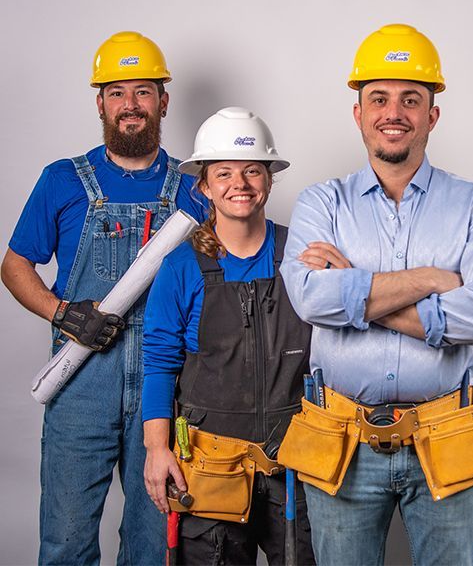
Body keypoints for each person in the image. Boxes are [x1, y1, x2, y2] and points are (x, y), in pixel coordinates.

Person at [278, 23, 473, 566]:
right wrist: (433, 279)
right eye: (378, 98)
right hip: (339, 435)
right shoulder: (322, 203)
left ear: (432, 115)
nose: (394, 112)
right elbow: (311, 301)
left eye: (412, 99)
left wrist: (356, 294)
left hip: (450, 431)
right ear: (358, 113)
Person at [0, 31, 206, 564]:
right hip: (81, 380)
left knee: (153, 543)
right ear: (100, 103)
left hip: (165, 387)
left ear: (164, 101)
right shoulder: (63, 180)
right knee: (66, 542)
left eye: (143, 92)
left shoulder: (195, 188)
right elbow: (15, 265)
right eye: (117, 93)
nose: (130, 106)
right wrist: (64, 312)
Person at [141, 107, 315, 565]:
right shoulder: (180, 268)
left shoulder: (301, 256)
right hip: (209, 466)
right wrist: (157, 449)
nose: (240, 183)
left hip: (296, 462)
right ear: (204, 185)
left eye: (252, 170)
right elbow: (159, 364)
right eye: (224, 173)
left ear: (269, 180)